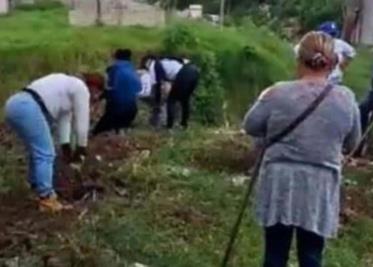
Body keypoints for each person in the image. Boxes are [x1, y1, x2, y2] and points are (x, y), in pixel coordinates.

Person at [243, 32, 361, 267]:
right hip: (320, 184)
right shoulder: (346, 99)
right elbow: (352, 143)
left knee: (275, 254)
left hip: (279, 181)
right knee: (311, 255)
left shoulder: (277, 92)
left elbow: (251, 126)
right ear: (334, 62)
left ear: (298, 59)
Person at [4, 73, 92, 212]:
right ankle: (46, 199)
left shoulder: (65, 86)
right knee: (46, 154)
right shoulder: (81, 88)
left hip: (15, 104)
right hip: (29, 108)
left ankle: (35, 185)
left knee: (37, 151)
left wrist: (66, 147)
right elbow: (82, 123)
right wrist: (81, 148)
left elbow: (65, 120)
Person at [141, 55, 200, 129]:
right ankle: (184, 124)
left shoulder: (153, 65)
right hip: (194, 71)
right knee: (185, 100)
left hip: (183, 73)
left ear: (146, 63)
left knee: (171, 100)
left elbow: (157, 85)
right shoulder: (165, 60)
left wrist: (157, 102)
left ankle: (169, 126)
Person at [92, 49, 141, 135]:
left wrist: (98, 98)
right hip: (132, 109)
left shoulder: (113, 70)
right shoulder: (133, 70)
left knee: (97, 132)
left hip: (116, 109)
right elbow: (138, 89)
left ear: (116, 58)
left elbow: (109, 89)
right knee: (119, 130)